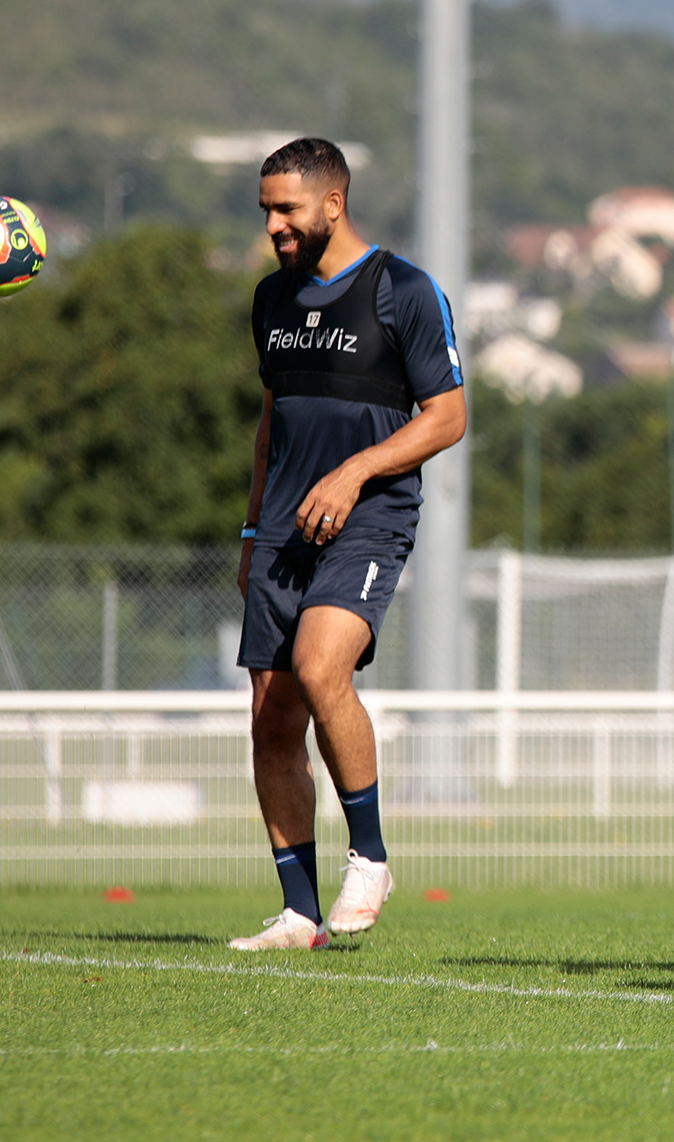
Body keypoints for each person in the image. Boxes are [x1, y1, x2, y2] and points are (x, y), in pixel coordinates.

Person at [229, 138, 467, 950]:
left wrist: (354, 473)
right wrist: (253, 529)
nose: (274, 224)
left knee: (320, 665)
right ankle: (299, 915)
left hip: (368, 518)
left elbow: (449, 417)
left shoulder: (402, 290)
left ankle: (369, 858)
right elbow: (271, 427)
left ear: (334, 202)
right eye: (266, 209)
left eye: (287, 208)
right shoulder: (270, 300)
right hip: (281, 531)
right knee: (270, 718)